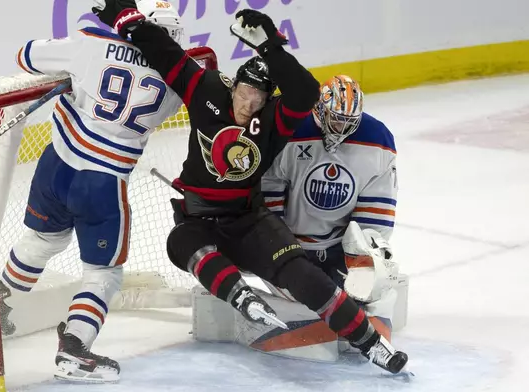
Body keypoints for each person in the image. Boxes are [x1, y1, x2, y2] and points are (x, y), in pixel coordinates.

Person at [95, 1, 408, 374]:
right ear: (233, 85)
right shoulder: (206, 88)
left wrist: (270, 47)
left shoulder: (275, 118)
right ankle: (239, 295)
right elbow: (166, 53)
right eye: (244, 93)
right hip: (199, 217)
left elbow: (306, 91)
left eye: (258, 99)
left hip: (250, 220)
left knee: (304, 274)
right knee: (179, 243)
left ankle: (371, 344)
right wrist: (126, 18)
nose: (248, 104)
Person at [0, 0, 184, 383]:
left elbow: (26, 54)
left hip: (56, 167)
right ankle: (75, 348)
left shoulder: (90, 43)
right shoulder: (179, 81)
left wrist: (75, 70)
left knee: (42, 239)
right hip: (103, 183)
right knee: (104, 275)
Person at [262, 74, 401, 345]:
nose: (341, 128)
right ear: (320, 110)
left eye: (350, 122)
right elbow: (268, 188)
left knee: (371, 287)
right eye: (336, 119)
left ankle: (362, 322)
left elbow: (375, 214)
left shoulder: (378, 140)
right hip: (292, 251)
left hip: (338, 248)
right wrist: (275, 242)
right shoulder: (291, 130)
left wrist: (364, 259)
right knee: (313, 299)